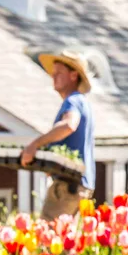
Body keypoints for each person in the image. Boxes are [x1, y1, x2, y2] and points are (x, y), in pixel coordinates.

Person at [22, 49, 95, 221]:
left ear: (73, 75)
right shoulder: (82, 102)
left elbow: (69, 125)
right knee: (64, 241)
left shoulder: (73, 101)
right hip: (79, 186)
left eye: (59, 73)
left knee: (48, 239)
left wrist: (35, 145)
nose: (53, 77)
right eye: (53, 73)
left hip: (67, 186)